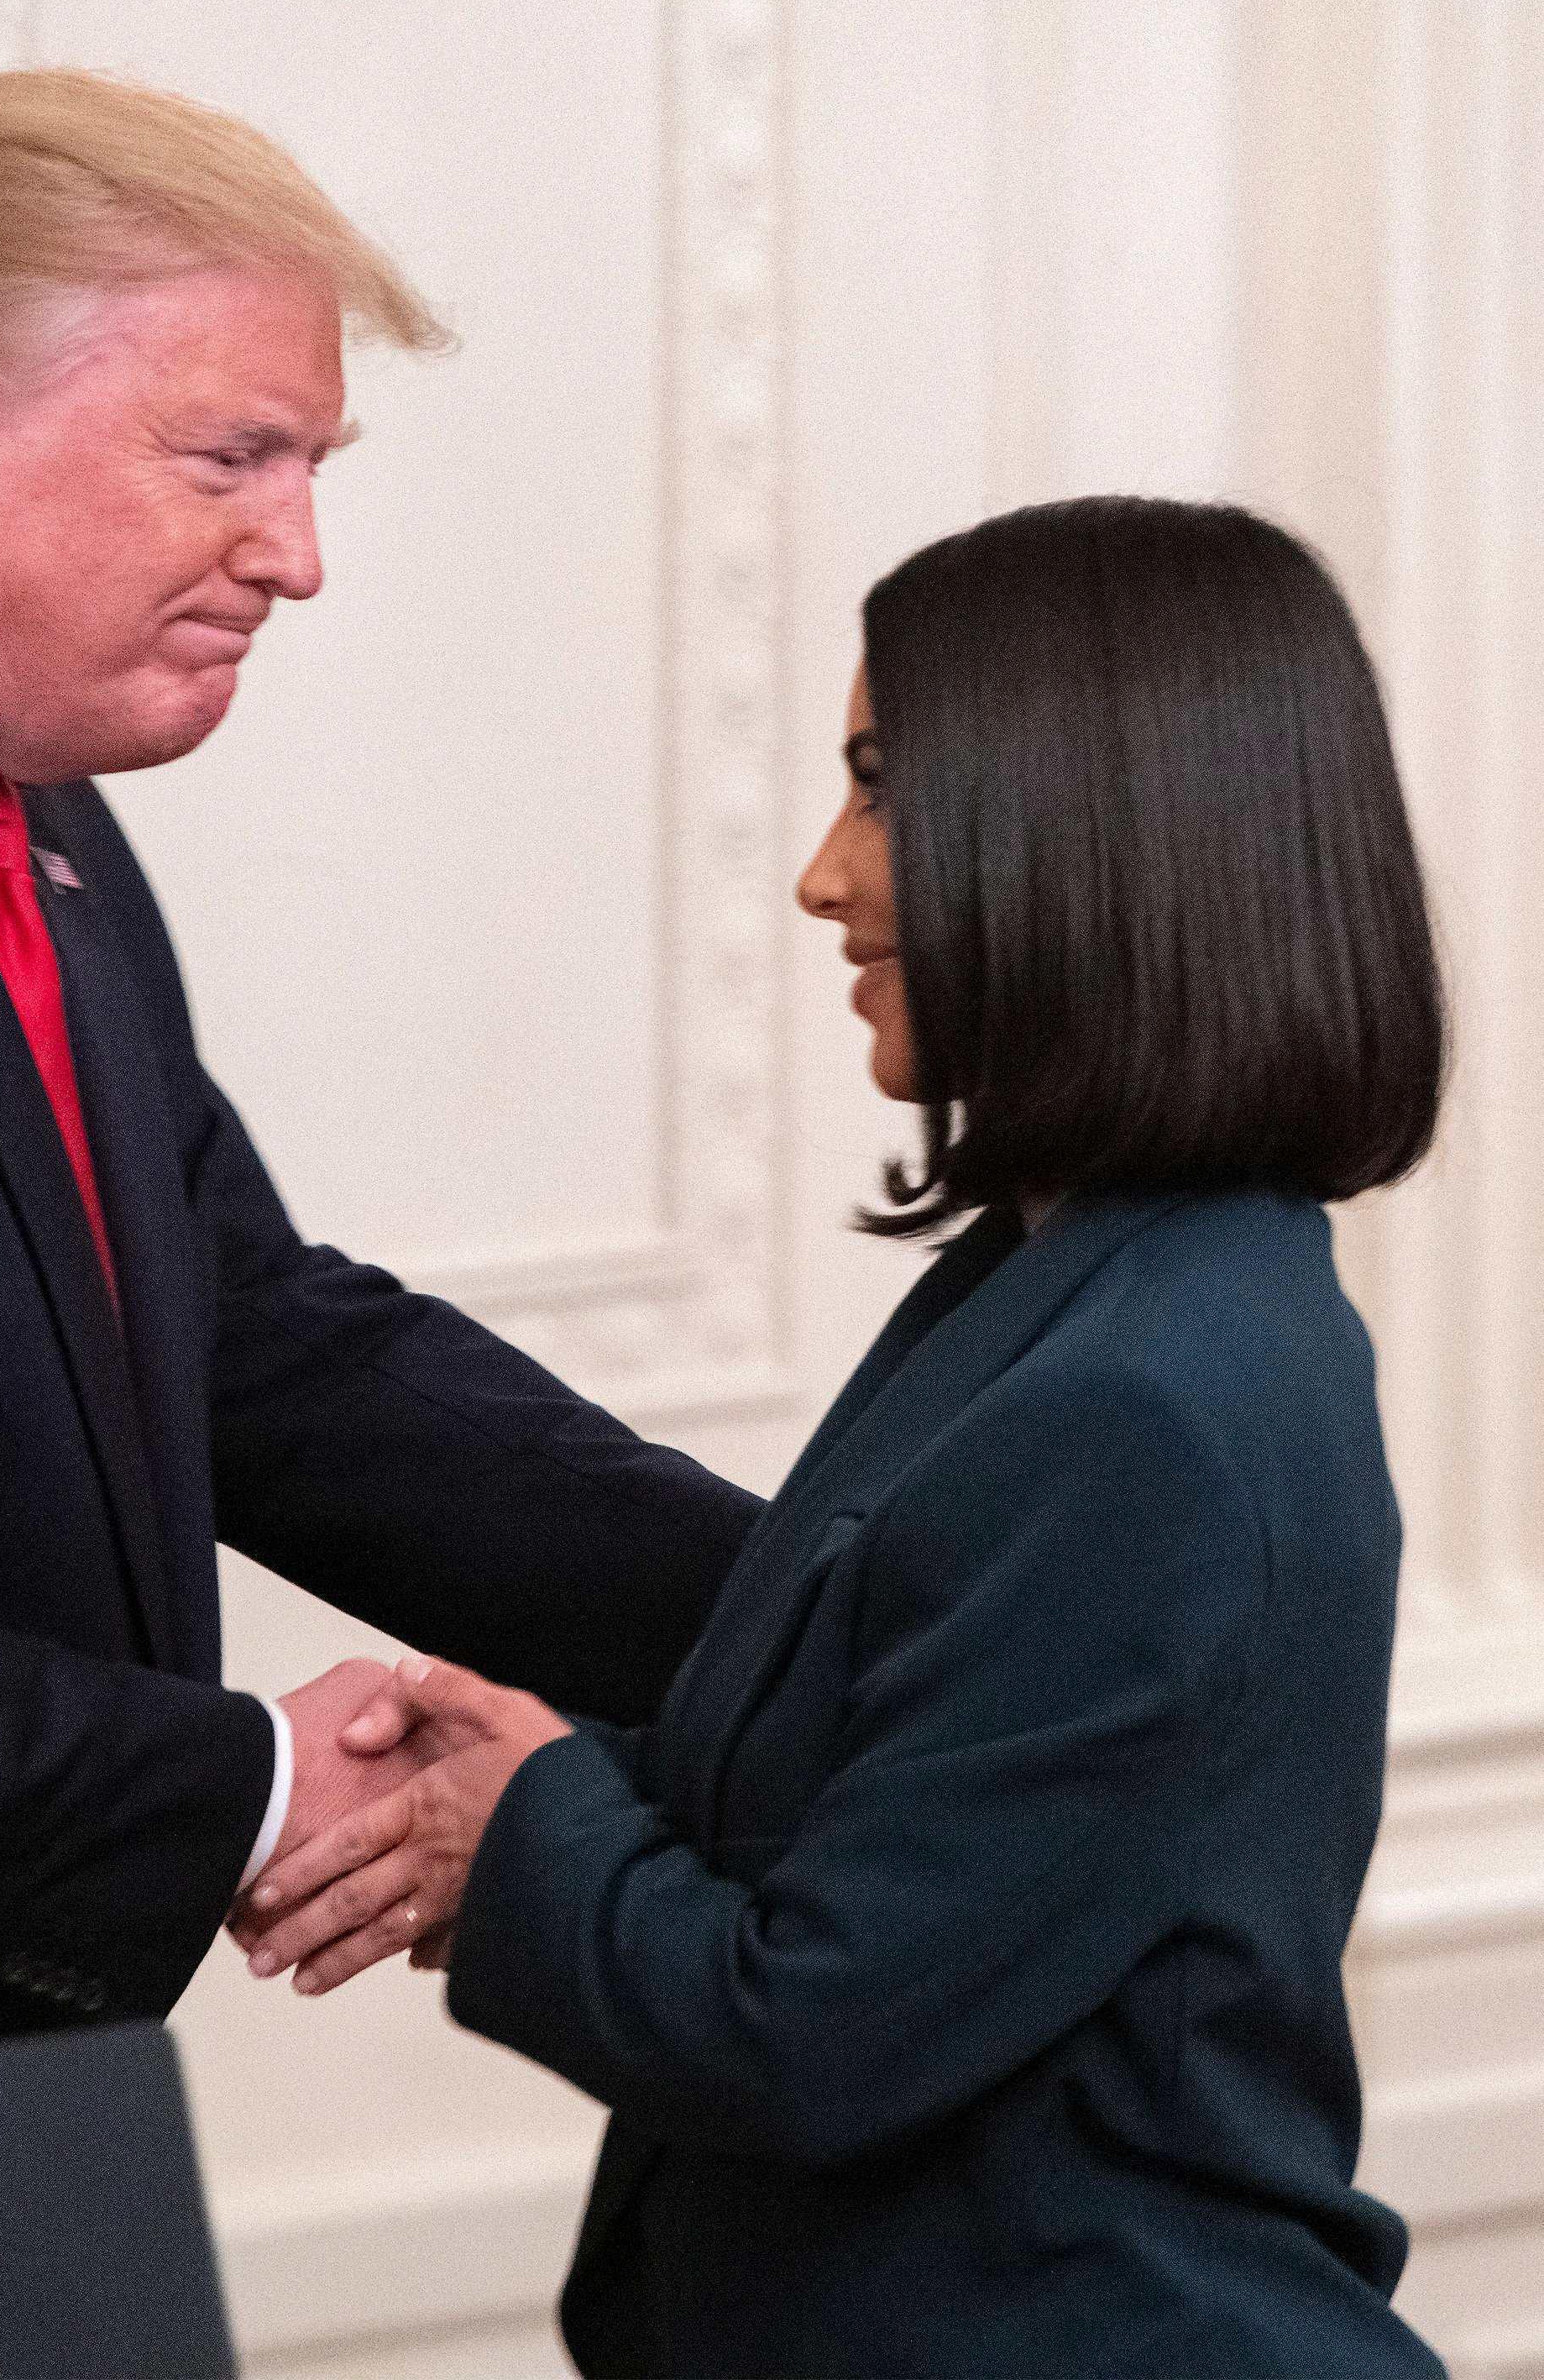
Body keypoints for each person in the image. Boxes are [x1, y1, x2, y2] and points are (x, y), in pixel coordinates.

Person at [0, 67, 757, 2080]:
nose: (296, 555)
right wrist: (257, 1791)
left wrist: (799, 1619)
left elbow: (248, 1335)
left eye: (311, 467)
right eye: (231, 459)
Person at [241, 497, 1450, 2378]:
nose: (823, 877)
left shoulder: (1139, 1400)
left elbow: (808, 2031)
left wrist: (532, 1821)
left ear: (1088, 830)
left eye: (880, 790)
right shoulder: (1076, 1290)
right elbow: (898, 1816)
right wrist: (539, 1776)